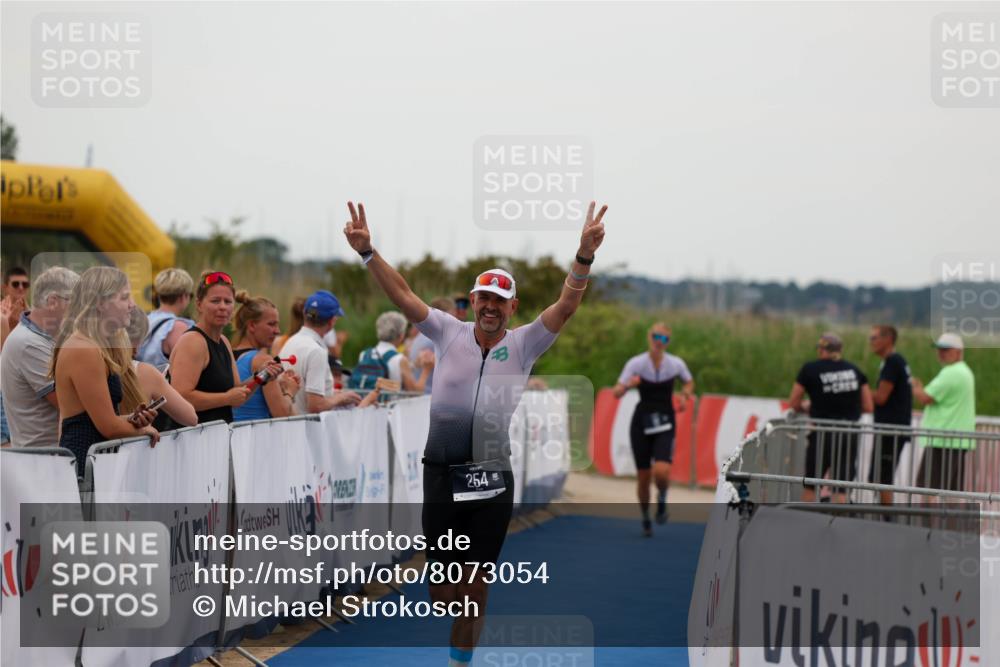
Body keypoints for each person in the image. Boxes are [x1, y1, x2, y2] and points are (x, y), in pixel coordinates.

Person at [343, 199, 607, 667]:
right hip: (442, 474)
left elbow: (566, 306)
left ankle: (459, 662)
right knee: (444, 593)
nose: (490, 307)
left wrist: (583, 256)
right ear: (474, 300)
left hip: (490, 475)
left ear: (512, 307)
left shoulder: (525, 344)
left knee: (475, 585)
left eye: (500, 301)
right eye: (484, 298)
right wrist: (368, 253)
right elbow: (402, 295)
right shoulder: (447, 332)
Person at [50, 267, 159, 477]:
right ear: (100, 303)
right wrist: (144, 429)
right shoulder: (84, 349)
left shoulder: (92, 345)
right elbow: (108, 426)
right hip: (85, 465)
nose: (132, 304)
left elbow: (97, 418)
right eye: (125, 297)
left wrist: (132, 419)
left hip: (93, 462)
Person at [612, 323, 694, 535]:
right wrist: (629, 385)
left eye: (664, 339)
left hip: (665, 421)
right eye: (656, 337)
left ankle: (663, 497)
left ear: (668, 342)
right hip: (641, 422)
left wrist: (685, 396)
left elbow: (688, 382)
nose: (659, 342)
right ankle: (646, 518)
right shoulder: (637, 363)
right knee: (643, 477)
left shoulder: (675, 364)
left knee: (661, 471)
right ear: (649, 337)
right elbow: (616, 392)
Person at [169, 271, 272, 424]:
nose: (222, 307)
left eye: (228, 301)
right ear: (199, 304)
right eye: (215, 301)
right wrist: (225, 399)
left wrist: (262, 376)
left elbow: (237, 392)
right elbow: (180, 397)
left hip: (217, 438)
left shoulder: (223, 341)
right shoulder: (193, 341)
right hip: (191, 440)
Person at [789, 332, 873, 503]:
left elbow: (794, 400)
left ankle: (807, 524)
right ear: (840, 350)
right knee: (840, 485)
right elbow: (868, 406)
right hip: (848, 433)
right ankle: (837, 524)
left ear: (821, 350)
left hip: (822, 433)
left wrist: (806, 407)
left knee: (812, 484)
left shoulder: (810, 369)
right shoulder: (855, 370)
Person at [1, 267, 79, 447]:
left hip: (48, 459)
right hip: (42, 462)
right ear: (53, 301)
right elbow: (71, 403)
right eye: (75, 303)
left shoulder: (42, 338)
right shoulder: (29, 344)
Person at [280, 290, 365, 413]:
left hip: (292, 426)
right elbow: (316, 406)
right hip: (308, 429)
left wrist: (332, 394)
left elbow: (303, 392)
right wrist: (342, 397)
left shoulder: (289, 342)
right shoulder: (316, 351)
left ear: (304, 314)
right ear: (332, 322)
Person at [912, 333, 976, 492]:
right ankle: (948, 518)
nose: (941, 353)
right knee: (951, 491)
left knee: (927, 489)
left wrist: (915, 386)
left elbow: (926, 398)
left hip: (942, 440)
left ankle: (926, 518)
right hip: (957, 440)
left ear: (958, 351)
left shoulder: (951, 373)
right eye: (939, 349)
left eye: (946, 349)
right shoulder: (965, 371)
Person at [231, 291, 300, 421]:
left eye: (277, 324)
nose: (277, 331)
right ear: (251, 325)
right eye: (271, 324)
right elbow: (282, 414)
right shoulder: (263, 361)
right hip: (256, 438)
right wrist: (289, 391)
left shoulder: (228, 354)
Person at [125, 309, 198, 428]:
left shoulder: (92, 366)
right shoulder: (145, 372)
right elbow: (191, 418)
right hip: (134, 445)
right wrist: (162, 384)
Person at [868, 324, 913, 503]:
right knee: (878, 478)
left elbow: (880, 397)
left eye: (874, 338)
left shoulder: (893, 362)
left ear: (887, 340)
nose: (870, 342)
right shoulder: (893, 361)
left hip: (891, 429)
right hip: (890, 428)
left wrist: (860, 390)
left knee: (883, 479)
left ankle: (888, 521)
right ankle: (885, 518)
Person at [348, 311, 433, 392]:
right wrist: (426, 370)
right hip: (391, 406)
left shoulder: (364, 354)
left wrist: (414, 365)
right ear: (401, 335)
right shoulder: (400, 359)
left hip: (367, 404)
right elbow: (415, 392)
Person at [137, 268, 195, 371]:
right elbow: (187, 368)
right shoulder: (177, 327)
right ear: (183, 296)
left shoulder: (144, 320)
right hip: (162, 386)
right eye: (190, 295)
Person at [409, 296, 455, 395]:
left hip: (422, 394)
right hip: (429, 397)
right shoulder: (434, 339)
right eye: (452, 315)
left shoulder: (420, 336)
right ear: (442, 315)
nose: (455, 320)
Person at [1, 266, 30, 347]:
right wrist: (11, 327)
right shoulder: (1, 315)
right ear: (5, 288)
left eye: (25, 284)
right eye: (15, 284)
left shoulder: (34, 312)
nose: (21, 288)